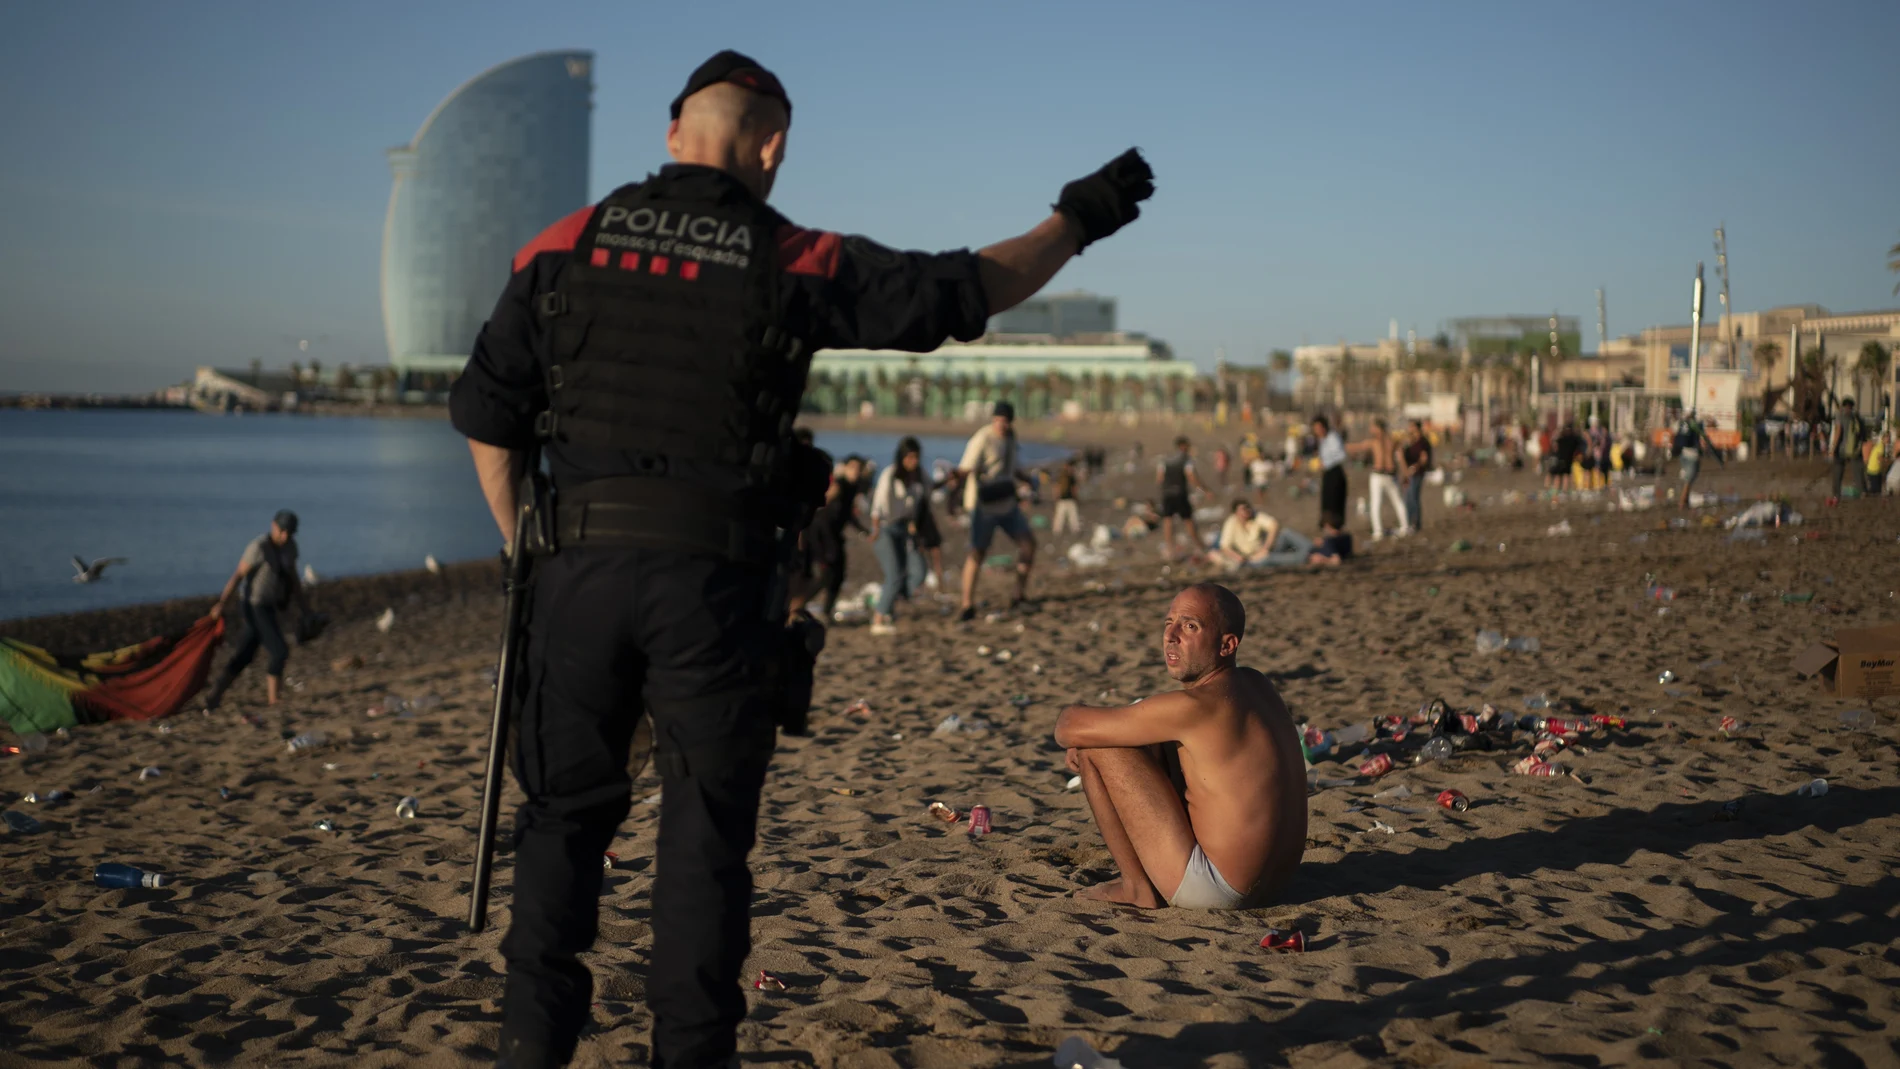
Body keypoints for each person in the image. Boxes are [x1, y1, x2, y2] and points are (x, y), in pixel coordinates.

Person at [447, 48, 1156, 1069]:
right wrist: (1076, 217)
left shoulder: (563, 245)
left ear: (671, 133)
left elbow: (485, 415)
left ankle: (530, 1046)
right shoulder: (788, 257)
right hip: (713, 589)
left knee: (560, 821)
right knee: (701, 844)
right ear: (772, 145)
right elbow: (962, 291)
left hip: (576, 579)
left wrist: (527, 547)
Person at [1054, 583, 1306, 909]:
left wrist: (1085, 742)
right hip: (1279, 883)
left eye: (1190, 626)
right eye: (1168, 622)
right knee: (1139, 737)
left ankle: (1137, 888)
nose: (1171, 636)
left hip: (1218, 888)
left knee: (1096, 747)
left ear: (1227, 645)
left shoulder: (1194, 707)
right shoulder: (1256, 683)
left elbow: (1067, 727)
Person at [203, 509, 307, 710]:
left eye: (290, 533)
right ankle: (273, 699)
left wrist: (305, 608)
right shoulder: (258, 547)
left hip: (270, 606)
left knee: (245, 653)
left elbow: (294, 579)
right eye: (282, 531)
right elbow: (238, 576)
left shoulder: (290, 548)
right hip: (253, 606)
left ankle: (215, 695)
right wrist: (222, 603)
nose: (285, 536)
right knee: (279, 650)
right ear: (274, 526)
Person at [958, 401, 1039, 619]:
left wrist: (1028, 480)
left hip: (1007, 503)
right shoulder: (982, 438)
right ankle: (967, 604)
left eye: (1005, 421)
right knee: (977, 552)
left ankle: (1018, 595)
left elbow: (1014, 468)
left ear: (1011, 421)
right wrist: (952, 494)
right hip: (983, 506)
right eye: (997, 420)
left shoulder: (1012, 437)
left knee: (1028, 545)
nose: (1001, 425)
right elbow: (964, 469)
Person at [868, 438, 929, 635]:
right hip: (885, 528)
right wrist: (875, 530)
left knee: (918, 570)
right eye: (910, 457)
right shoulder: (890, 474)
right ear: (902, 457)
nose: (914, 461)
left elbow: (928, 492)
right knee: (894, 574)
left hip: (905, 529)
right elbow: (877, 504)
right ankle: (878, 618)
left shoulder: (920, 476)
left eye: (916, 457)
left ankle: (894, 602)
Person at [807, 455, 868, 619]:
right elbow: (819, 505)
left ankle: (826, 612)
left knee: (838, 575)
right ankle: (795, 607)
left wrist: (862, 530)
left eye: (859, 468)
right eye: (852, 467)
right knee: (823, 575)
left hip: (835, 535)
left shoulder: (853, 487)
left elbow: (848, 514)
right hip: (821, 532)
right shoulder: (838, 485)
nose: (856, 471)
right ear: (845, 468)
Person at [1348, 418, 1409, 540]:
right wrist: (1405, 473)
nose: (1371, 429)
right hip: (1387, 475)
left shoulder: (1378, 442)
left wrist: (1345, 447)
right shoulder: (1390, 441)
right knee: (1393, 502)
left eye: (1373, 427)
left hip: (1382, 475)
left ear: (1378, 428)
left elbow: (1359, 447)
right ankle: (1402, 527)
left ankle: (1379, 531)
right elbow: (1401, 458)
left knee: (1382, 503)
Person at [1211, 500, 1315, 569]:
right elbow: (1225, 546)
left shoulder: (1255, 516)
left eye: (1248, 508)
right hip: (1250, 559)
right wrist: (1240, 557)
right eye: (1243, 509)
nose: (1246, 511)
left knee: (1286, 533)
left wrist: (1266, 547)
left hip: (1265, 549)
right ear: (1236, 513)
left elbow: (1273, 525)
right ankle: (1305, 557)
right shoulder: (1231, 523)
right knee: (1269, 559)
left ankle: (1312, 548)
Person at [1155, 436, 1207, 559]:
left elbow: (1159, 478)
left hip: (1167, 493)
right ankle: (1199, 545)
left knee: (1168, 519)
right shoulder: (1185, 459)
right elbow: (1191, 477)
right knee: (1188, 519)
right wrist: (1203, 489)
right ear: (1183, 446)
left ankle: (1169, 548)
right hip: (1180, 493)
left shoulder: (1165, 459)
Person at [1672, 410, 1722, 508]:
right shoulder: (1697, 425)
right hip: (1693, 455)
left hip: (1683, 454)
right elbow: (1703, 441)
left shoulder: (1682, 423)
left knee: (1688, 479)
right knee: (1689, 479)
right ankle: (1682, 502)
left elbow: (1675, 436)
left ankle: (1685, 500)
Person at [1312, 415, 1347, 533]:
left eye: (1318, 428)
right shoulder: (1322, 440)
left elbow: (1341, 455)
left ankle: (1335, 529)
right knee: (1326, 502)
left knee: (1334, 502)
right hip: (1327, 474)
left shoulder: (1332, 438)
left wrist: (1325, 463)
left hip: (1335, 473)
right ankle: (1328, 528)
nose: (1317, 431)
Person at [1826, 399, 1864, 502]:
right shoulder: (1856, 416)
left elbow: (1838, 432)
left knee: (1837, 472)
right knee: (1858, 472)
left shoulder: (1840, 416)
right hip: (1855, 449)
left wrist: (1832, 449)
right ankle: (1862, 492)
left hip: (1841, 449)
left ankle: (1836, 495)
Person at [1399, 420, 1432, 533]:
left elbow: (1424, 459)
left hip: (1417, 473)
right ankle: (1409, 522)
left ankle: (1415, 523)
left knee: (1413, 498)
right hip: (1409, 473)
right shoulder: (1412, 441)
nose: (1409, 429)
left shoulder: (1422, 442)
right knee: (1408, 498)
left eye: (1411, 427)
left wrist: (1415, 467)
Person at [1051, 458, 1082, 536]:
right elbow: (1074, 489)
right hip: (1069, 499)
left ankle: (1057, 531)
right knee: (1073, 515)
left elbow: (1057, 487)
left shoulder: (1061, 476)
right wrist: (1076, 498)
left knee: (1060, 516)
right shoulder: (1070, 477)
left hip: (1062, 499)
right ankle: (1075, 530)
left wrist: (1056, 497)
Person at [1553, 422, 1584, 492]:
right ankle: (1563, 490)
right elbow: (1579, 445)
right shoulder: (1574, 438)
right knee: (1565, 475)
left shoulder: (1561, 438)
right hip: (1567, 459)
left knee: (1560, 475)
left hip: (1562, 458)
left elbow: (1555, 446)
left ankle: (1556, 490)